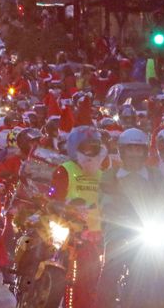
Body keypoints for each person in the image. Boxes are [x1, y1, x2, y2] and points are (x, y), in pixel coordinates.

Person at [97, 128, 164, 307]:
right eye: (130, 149)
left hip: (151, 229)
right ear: (122, 151)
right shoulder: (110, 175)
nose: (134, 154)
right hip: (118, 230)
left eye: (138, 149)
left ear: (145, 151)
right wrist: (111, 208)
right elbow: (103, 199)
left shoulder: (154, 174)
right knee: (110, 272)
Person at [48, 125, 106, 308]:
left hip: (96, 235)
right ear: (75, 148)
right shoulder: (64, 170)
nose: (90, 152)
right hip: (68, 233)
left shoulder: (102, 174)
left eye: (94, 148)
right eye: (85, 148)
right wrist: (66, 208)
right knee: (70, 278)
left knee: (94, 281)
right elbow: (53, 198)